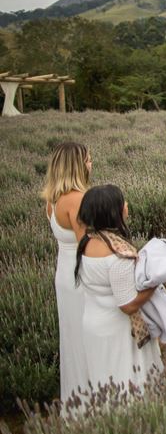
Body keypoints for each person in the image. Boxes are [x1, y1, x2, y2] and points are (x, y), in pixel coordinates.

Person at [75, 185, 163, 397]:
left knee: (102, 382)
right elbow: (128, 305)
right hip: (119, 331)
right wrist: (153, 284)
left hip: (93, 325)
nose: (126, 205)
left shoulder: (87, 243)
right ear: (113, 212)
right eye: (122, 202)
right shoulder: (117, 255)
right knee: (127, 382)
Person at [42, 142, 91, 405]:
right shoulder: (76, 199)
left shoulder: (52, 201)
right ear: (77, 166)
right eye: (88, 160)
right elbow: (88, 242)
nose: (91, 165)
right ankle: (93, 400)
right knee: (88, 336)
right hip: (82, 276)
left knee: (71, 338)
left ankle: (76, 400)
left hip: (64, 274)